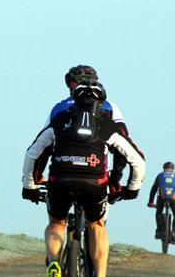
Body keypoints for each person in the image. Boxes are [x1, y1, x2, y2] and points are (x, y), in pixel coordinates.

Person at [22, 79, 146, 277]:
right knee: (96, 225)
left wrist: (28, 185)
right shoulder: (108, 125)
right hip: (95, 182)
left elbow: (33, 153)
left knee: (56, 223)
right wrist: (132, 188)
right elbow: (136, 160)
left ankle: (53, 267)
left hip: (60, 179)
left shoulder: (60, 120)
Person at [42, 65, 129, 194]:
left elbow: (43, 144)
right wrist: (116, 178)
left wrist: (34, 178)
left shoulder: (59, 107)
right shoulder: (110, 106)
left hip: (63, 168)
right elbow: (124, 139)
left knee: (56, 208)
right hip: (97, 168)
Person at [147, 162, 175, 245]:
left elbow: (154, 189)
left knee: (158, 212)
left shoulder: (160, 176)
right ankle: (173, 232)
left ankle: (159, 230)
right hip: (174, 199)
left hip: (162, 198)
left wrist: (151, 201)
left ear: (164, 168)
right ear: (173, 169)